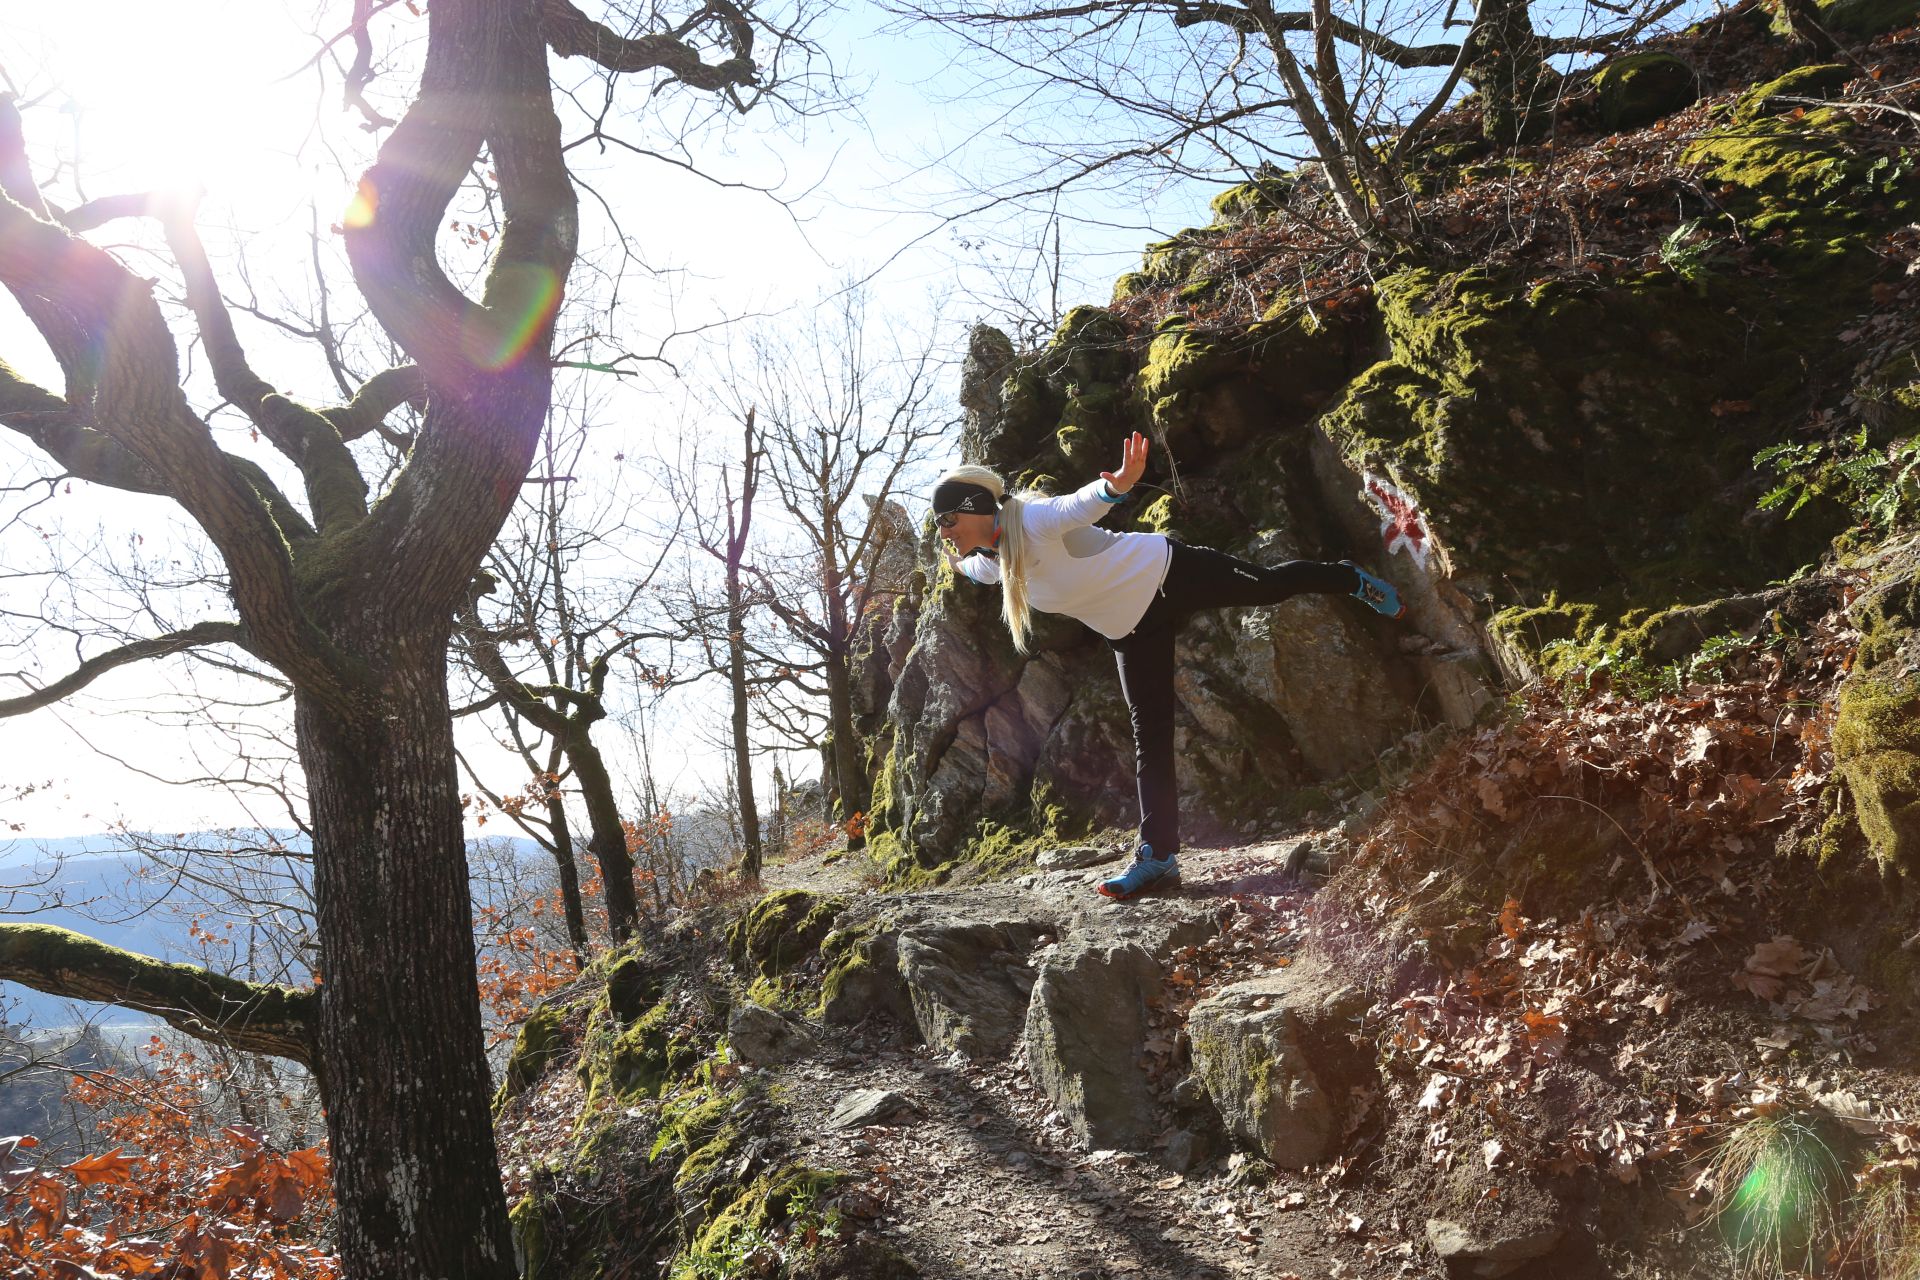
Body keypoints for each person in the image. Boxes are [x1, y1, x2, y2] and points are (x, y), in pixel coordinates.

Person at [933, 430, 1404, 900]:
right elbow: (975, 570)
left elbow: (1078, 505)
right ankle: (1158, 859)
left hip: (1166, 574)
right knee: (1151, 737)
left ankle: (1350, 579)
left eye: (949, 518)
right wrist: (957, 564)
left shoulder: (1032, 519)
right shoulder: (994, 561)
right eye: (940, 523)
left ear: (976, 506)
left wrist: (1118, 484)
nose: (945, 529)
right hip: (1131, 631)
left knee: (1268, 587)